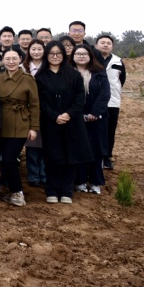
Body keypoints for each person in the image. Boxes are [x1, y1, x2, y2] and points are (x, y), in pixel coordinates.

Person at [36, 41, 93, 204]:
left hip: (72, 123)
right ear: (46, 55)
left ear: (64, 55)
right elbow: (40, 101)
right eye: (51, 53)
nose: (55, 56)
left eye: (58, 53)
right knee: (53, 157)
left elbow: (80, 98)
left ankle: (67, 191)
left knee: (71, 157)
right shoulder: (40, 77)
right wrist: (55, 116)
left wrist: (69, 114)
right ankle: (52, 190)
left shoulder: (74, 75)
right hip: (50, 123)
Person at [0, 48, 39, 207]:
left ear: (20, 59)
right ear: (3, 60)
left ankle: (17, 192)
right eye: (7, 59)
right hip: (1, 123)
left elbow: (34, 104)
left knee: (9, 158)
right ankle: (4, 189)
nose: (11, 62)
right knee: (3, 159)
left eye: (14, 58)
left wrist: (34, 127)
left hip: (21, 122)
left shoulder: (28, 79)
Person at [72, 45, 110, 195]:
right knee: (79, 150)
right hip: (75, 119)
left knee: (96, 150)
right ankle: (80, 181)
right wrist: (75, 114)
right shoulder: (68, 73)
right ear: (73, 56)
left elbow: (105, 94)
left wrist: (95, 112)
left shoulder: (99, 73)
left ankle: (95, 182)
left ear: (90, 56)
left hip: (97, 119)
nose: (81, 56)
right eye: (78, 54)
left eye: (84, 54)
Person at [96, 35, 125, 169]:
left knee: (110, 130)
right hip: (94, 101)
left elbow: (121, 80)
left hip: (112, 102)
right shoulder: (91, 60)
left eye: (108, 43)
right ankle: (95, 156)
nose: (105, 45)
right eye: (102, 42)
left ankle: (107, 157)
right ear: (96, 45)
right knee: (95, 130)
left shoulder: (118, 61)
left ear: (112, 46)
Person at [23, 40, 47, 187]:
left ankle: (44, 174)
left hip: (47, 110)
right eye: (33, 49)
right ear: (29, 51)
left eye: (39, 49)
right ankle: (33, 175)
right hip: (29, 111)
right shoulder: (23, 68)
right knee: (32, 143)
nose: (36, 52)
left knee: (45, 145)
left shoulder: (48, 67)